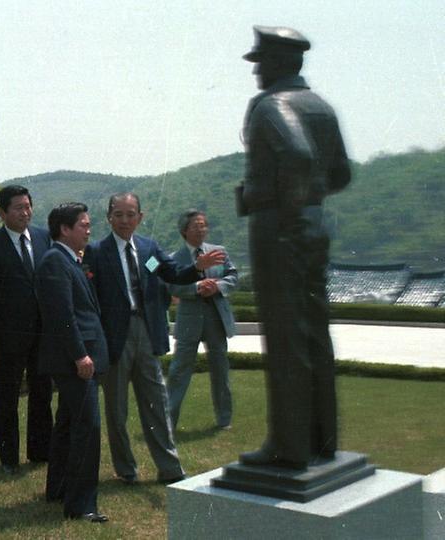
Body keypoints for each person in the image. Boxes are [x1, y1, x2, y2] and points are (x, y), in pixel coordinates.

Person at [237, 26, 352, 469]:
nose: (257, 72)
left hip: (279, 228)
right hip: (313, 223)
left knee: (285, 339)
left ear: (280, 63)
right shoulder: (320, 106)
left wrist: (286, 212)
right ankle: (323, 441)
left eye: (261, 62)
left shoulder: (270, 106)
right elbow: (339, 172)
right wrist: (308, 208)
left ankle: (288, 446)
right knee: (314, 335)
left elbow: (298, 156)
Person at [83, 193, 224, 484]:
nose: (125, 220)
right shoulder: (97, 251)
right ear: (109, 216)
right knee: (117, 409)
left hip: (146, 332)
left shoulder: (148, 249)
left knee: (156, 403)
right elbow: (90, 297)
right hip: (115, 339)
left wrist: (197, 269)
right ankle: (126, 469)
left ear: (140, 217)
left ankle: (170, 468)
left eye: (130, 214)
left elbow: (170, 273)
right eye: (119, 214)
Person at [36, 202, 108, 523]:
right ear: (64, 229)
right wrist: (80, 354)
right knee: (87, 427)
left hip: (79, 358)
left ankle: (59, 488)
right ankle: (81, 505)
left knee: (67, 424)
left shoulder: (71, 260)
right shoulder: (55, 261)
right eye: (83, 224)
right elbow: (62, 316)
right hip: (74, 361)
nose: (88, 230)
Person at [0, 185, 53, 475]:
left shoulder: (43, 238)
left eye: (27, 206)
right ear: (2, 213)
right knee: (7, 396)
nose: (25, 212)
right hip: (9, 333)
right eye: (17, 208)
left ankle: (40, 450)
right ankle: (8, 457)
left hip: (43, 331)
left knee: (42, 392)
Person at [167, 209, 238, 431]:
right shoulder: (174, 259)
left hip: (216, 319)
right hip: (189, 322)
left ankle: (224, 420)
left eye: (204, 225)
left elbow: (233, 276)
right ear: (184, 230)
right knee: (179, 372)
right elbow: (171, 285)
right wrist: (197, 287)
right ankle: (168, 422)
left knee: (220, 370)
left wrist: (217, 286)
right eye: (196, 225)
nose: (201, 229)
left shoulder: (219, 252)